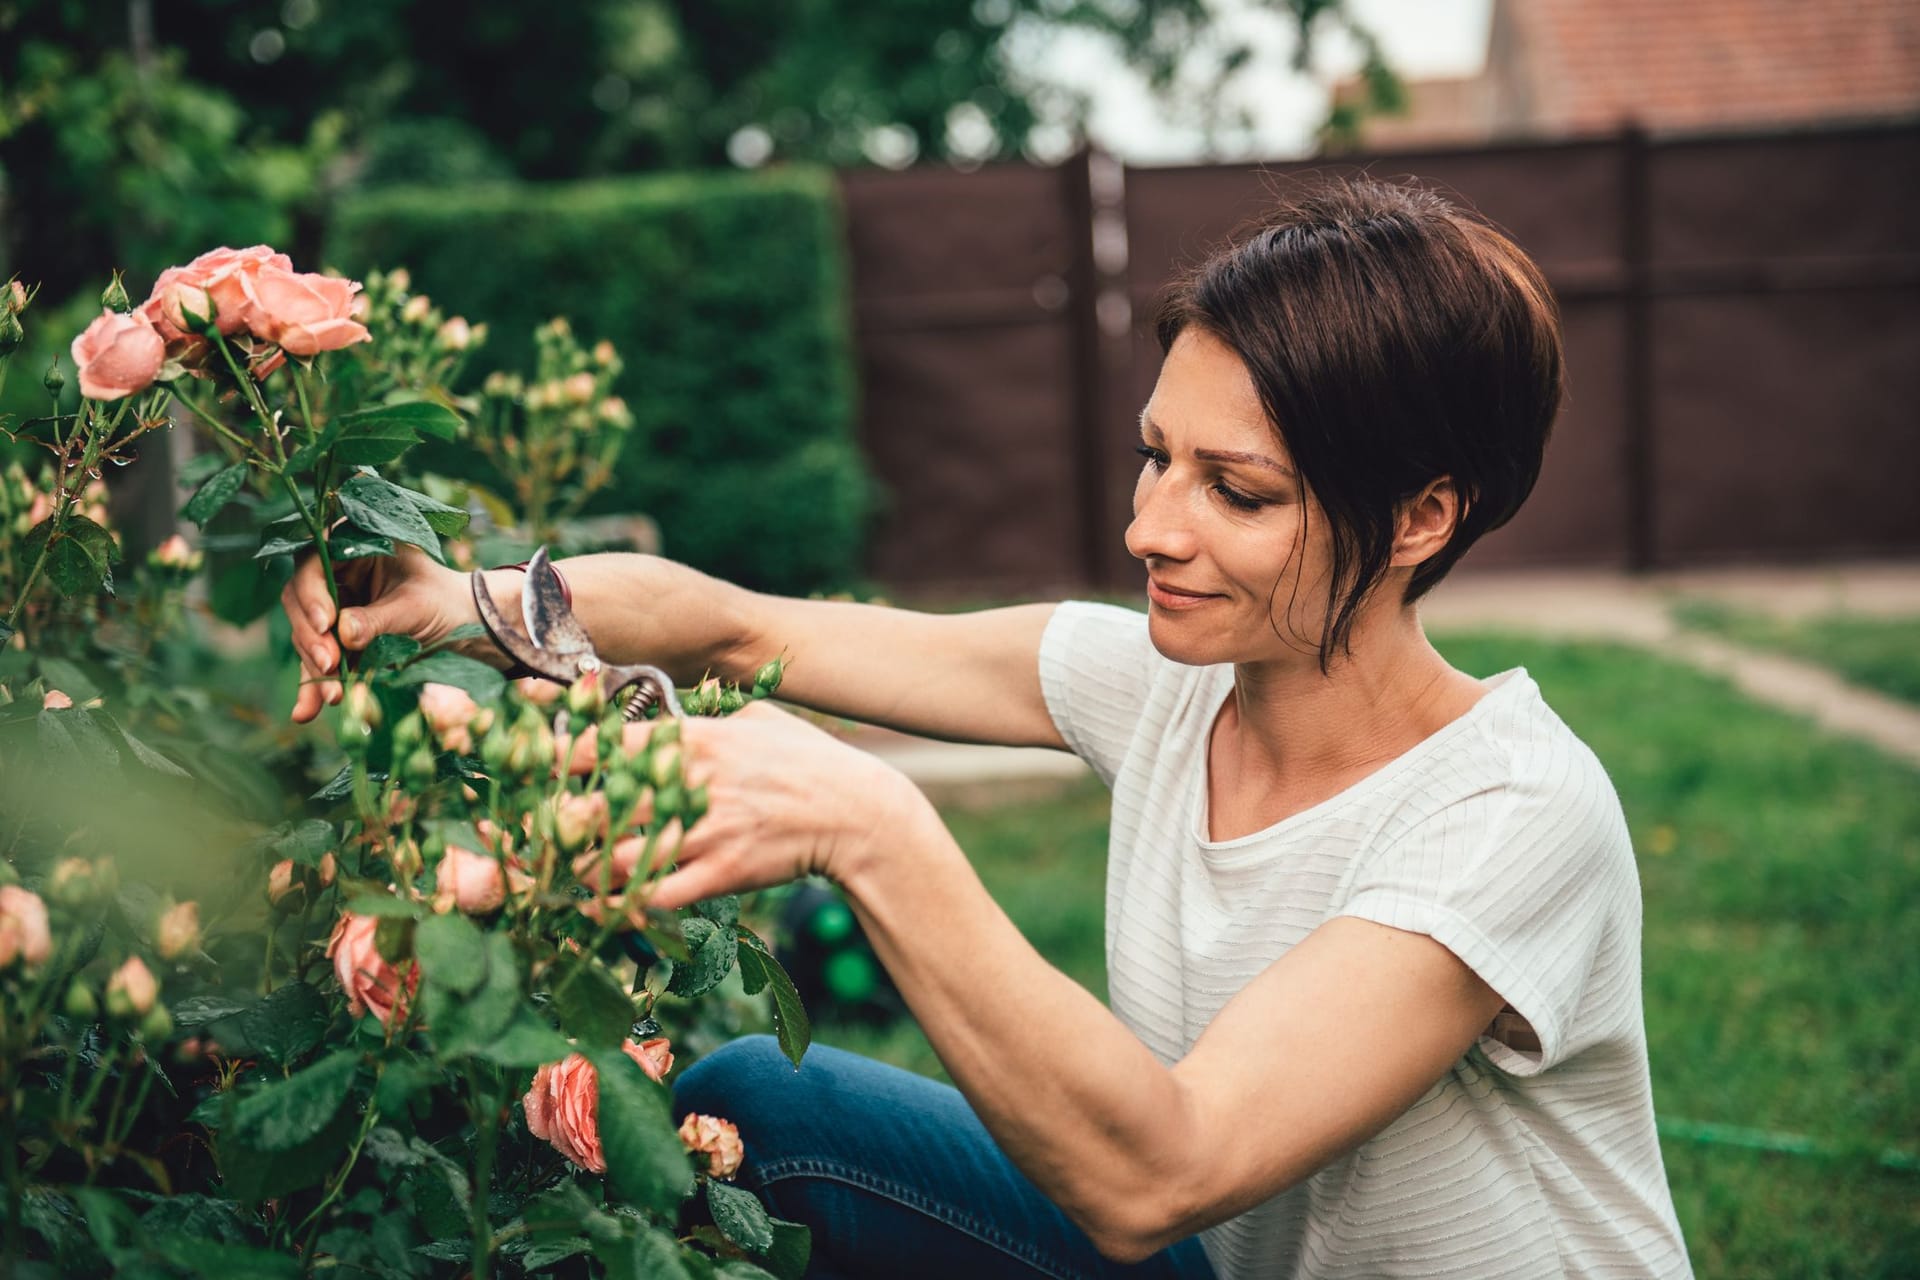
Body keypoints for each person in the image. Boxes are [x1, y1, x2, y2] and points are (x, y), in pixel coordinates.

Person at [283, 178, 1693, 1279]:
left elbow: (1162, 1176)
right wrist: (457, 597)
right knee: (761, 1117)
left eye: (1236, 491)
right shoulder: (1176, 680)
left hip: (1183, 1218)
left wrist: (871, 826)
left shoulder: (1510, 817)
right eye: (1157, 456)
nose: (1152, 528)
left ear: (1420, 519)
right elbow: (737, 629)